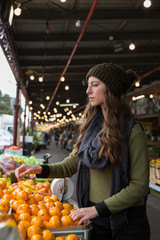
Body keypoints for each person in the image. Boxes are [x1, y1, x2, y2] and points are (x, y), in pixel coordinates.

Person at [15, 63, 150, 240]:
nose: (88, 91)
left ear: (110, 90)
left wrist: (97, 209)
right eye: (88, 85)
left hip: (126, 223)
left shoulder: (133, 131)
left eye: (95, 85)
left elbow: (139, 186)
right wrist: (40, 169)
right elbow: (73, 162)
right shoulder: (91, 129)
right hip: (95, 218)